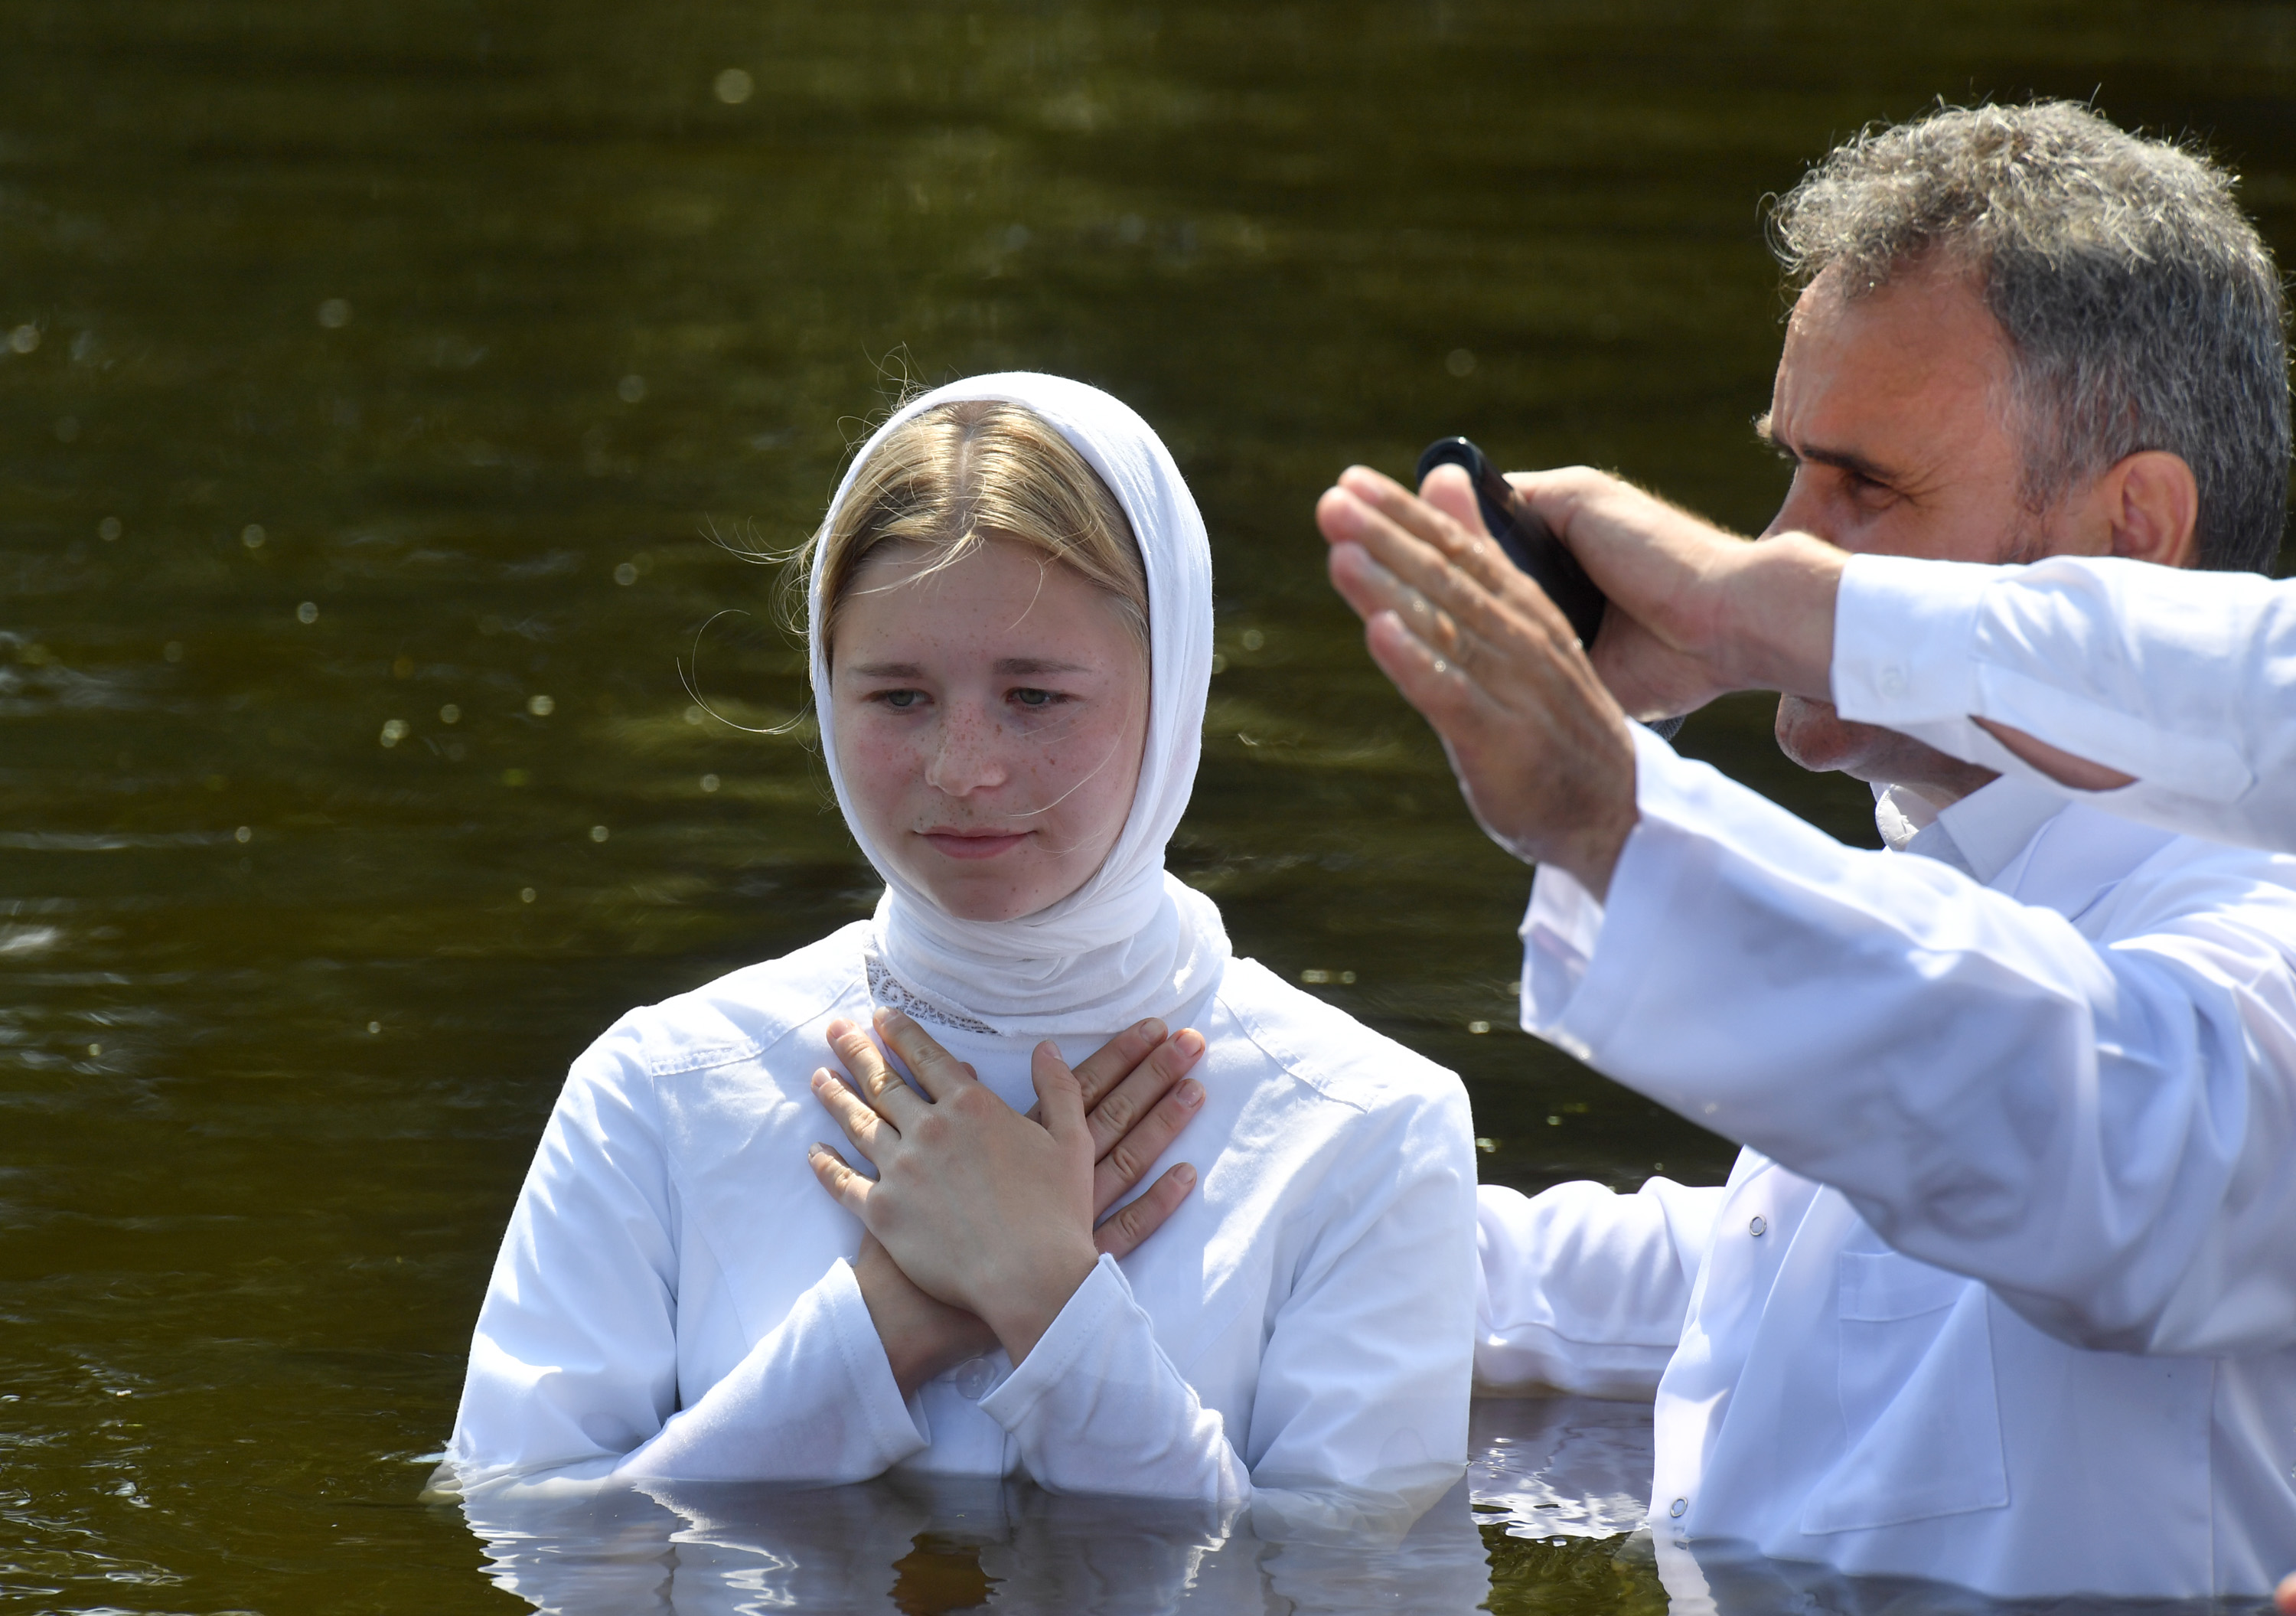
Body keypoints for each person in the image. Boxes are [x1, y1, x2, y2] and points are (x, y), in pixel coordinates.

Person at [1315, 102, 2296, 1599]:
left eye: (1863, 488)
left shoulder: (2255, 910)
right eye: (1788, 473)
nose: (1772, 546)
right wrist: (1247, 1219)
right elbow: (1786, 1278)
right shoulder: (1969, 879)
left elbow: (2109, 1141)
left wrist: (1609, 816)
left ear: (2136, 530)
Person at [438, 374, 1477, 1527]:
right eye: (898, 697)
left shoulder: (1366, 1129)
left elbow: (1358, 1588)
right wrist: (878, 1334)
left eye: (1035, 695)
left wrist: (1051, 1302)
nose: (963, 769)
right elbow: (530, 1539)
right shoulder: (656, 1093)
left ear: (1173, 683)